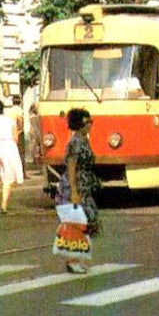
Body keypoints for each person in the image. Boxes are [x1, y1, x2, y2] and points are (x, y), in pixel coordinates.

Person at [54, 107, 99, 275]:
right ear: (79, 124)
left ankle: (76, 259)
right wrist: (74, 192)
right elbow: (71, 168)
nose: (90, 125)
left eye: (91, 122)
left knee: (84, 224)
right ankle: (72, 261)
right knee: (76, 224)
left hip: (84, 186)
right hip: (73, 187)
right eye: (87, 122)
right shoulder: (75, 142)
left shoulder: (84, 140)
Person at [0, 98, 23, 214]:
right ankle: (4, 204)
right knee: (7, 177)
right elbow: (16, 138)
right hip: (10, 146)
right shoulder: (10, 121)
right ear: (2, 109)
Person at [7, 94, 28, 178]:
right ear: (19, 101)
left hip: (10, 133)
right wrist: (20, 129)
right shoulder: (19, 109)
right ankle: (22, 173)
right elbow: (20, 120)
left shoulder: (9, 110)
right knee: (21, 153)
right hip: (18, 133)